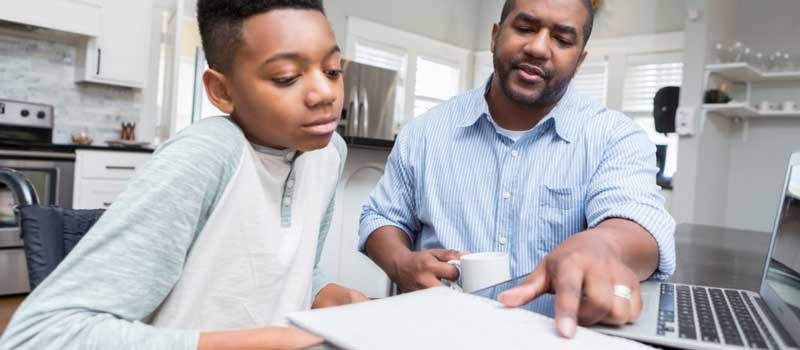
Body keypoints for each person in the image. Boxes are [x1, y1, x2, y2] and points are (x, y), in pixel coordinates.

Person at [0, 1, 367, 349]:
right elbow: (39, 335)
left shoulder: (330, 153)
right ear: (222, 91)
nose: (325, 92)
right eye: (287, 77)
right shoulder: (207, 155)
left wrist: (323, 291)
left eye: (332, 70)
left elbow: (292, 267)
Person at [359, 0, 676, 339]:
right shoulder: (424, 133)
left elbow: (639, 226)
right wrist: (399, 262)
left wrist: (601, 247)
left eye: (562, 39)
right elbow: (381, 217)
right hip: (434, 337)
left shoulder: (615, 137)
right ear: (495, 36)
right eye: (525, 28)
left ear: (580, 60)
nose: (538, 48)